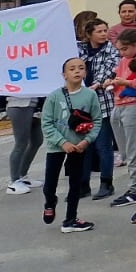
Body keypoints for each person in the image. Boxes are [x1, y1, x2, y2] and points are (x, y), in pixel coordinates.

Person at [40, 57, 101, 233]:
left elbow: (96, 121)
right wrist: (62, 142)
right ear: (64, 74)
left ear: (85, 73)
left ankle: (71, 219)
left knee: (76, 182)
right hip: (56, 146)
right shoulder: (54, 96)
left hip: (79, 146)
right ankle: (50, 202)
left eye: (81, 68)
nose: (77, 71)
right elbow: (47, 123)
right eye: (72, 68)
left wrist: (86, 141)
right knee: (50, 182)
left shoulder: (90, 95)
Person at [76, 16, 121, 200]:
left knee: (103, 145)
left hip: (102, 103)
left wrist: (95, 84)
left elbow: (110, 70)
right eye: (99, 31)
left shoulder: (111, 51)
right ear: (89, 34)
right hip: (81, 105)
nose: (104, 34)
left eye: (105, 31)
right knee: (84, 146)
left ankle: (106, 183)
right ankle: (83, 185)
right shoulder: (80, 49)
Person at [108, 27, 136, 207]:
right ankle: (135, 186)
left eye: (124, 49)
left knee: (134, 150)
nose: (121, 53)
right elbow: (118, 75)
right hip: (118, 104)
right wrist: (111, 82)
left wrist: (126, 82)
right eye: (119, 49)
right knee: (124, 151)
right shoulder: (124, 60)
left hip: (134, 105)